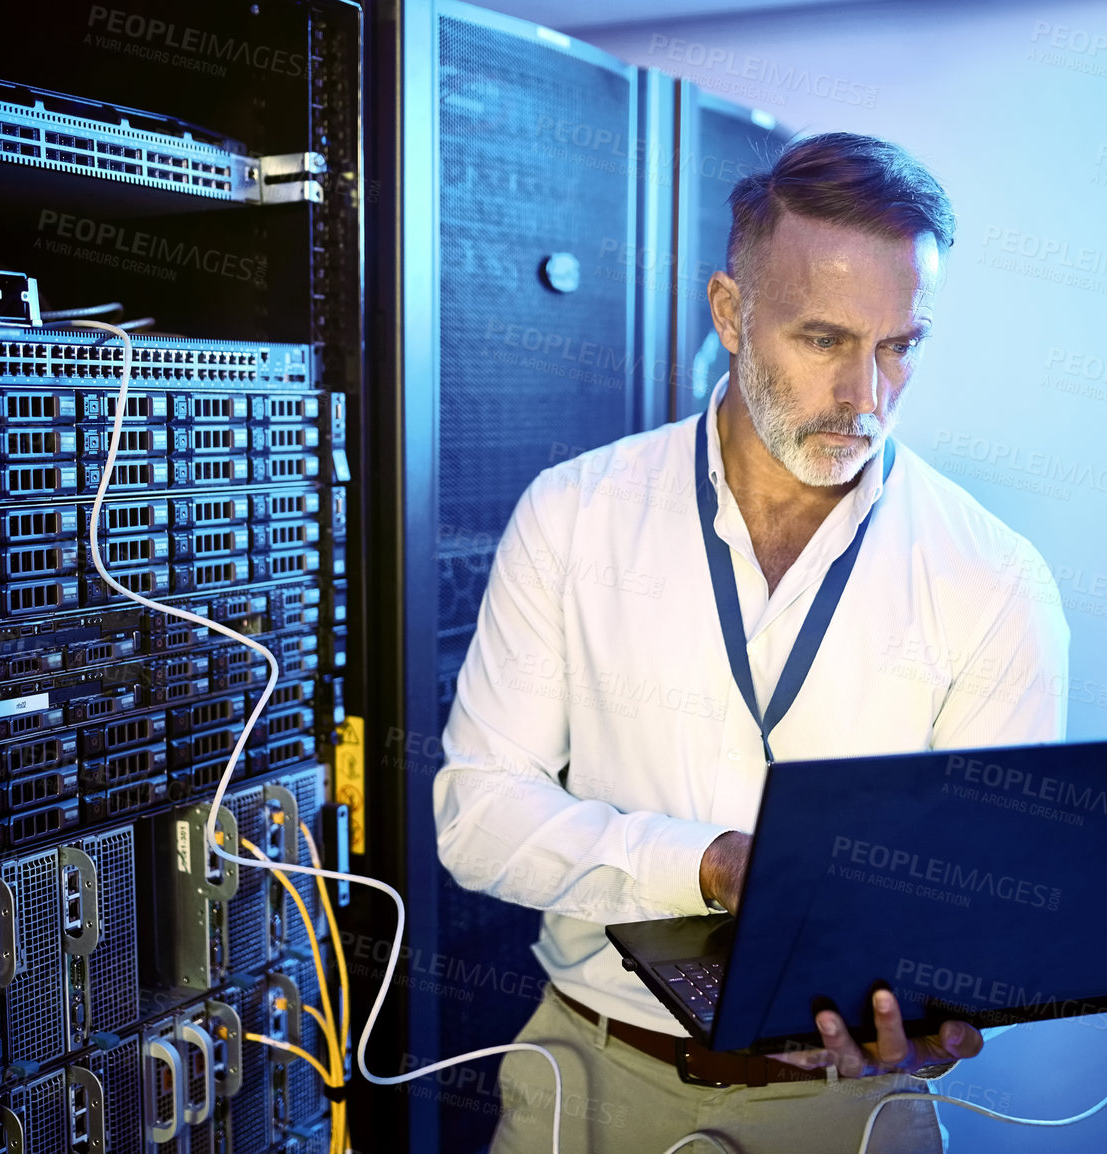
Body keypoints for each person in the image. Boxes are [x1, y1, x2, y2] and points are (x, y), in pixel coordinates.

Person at [433, 131, 1070, 1154]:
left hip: (848, 1108)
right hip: (594, 1078)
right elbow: (478, 816)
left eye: (899, 345)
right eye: (823, 340)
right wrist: (707, 863)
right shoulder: (573, 515)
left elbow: (992, 884)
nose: (866, 396)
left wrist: (966, 989)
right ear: (731, 314)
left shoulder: (994, 578)